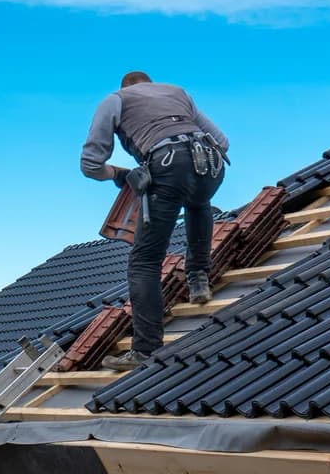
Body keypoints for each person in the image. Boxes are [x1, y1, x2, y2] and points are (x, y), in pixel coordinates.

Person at [80, 70, 230, 371]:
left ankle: (145, 349)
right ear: (150, 84)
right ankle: (198, 278)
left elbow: (90, 164)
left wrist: (120, 174)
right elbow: (222, 142)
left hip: (168, 161)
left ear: (125, 86)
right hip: (211, 163)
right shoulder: (178, 92)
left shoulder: (115, 100)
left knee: (145, 261)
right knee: (198, 201)